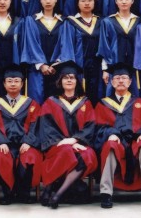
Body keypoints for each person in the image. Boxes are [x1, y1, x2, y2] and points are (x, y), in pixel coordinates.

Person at [94, 63, 141, 208]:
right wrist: (111, 133)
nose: (121, 81)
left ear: (130, 82)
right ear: (112, 82)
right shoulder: (103, 105)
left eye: (124, 78)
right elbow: (98, 127)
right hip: (117, 141)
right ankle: (106, 193)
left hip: (136, 141)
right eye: (117, 78)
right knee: (110, 145)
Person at [37, 61, 98, 209]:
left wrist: (75, 140)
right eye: (65, 77)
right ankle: (53, 190)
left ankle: (56, 195)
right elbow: (46, 127)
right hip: (57, 144)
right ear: (60, 81)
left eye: (72, 77)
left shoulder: (85, 103)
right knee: (66, 151)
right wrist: (65, 142)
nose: (69, 80)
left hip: (79, 143)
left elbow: (90, 126)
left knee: (88, 154)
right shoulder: (50, 102)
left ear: (77, 81)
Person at [0, 64, 42, 205]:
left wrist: (28, 141)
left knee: (30, 156)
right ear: (4, 84)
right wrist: (0, 141)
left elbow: (36, 126)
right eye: (10, 81)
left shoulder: (31, 104)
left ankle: (24, 193)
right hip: (5, 143)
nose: (13, 84)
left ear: (22, 84)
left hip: (25, 143)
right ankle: (8, 194)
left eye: (16, 81)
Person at [21, 0, 81, 103]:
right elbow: (31, 44)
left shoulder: (64, 22)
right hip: (37, 70)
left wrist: (57, 64)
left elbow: (66, 45)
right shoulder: (31, 21)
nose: (48, 1)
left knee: (58, 103)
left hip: (58, 70)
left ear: (56, 0)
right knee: (37, 99)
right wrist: (41, 65)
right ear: (40, 0)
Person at [62, 0, 104, 102]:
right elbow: (67, 47)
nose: (86, 3)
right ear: (77, 3)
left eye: (90, 0)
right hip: (79, 66)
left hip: (98, 67)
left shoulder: (101, 22)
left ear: (94, 2)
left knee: (98, 94)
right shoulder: (70, 23)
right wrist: (71, 70)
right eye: (83, 0)